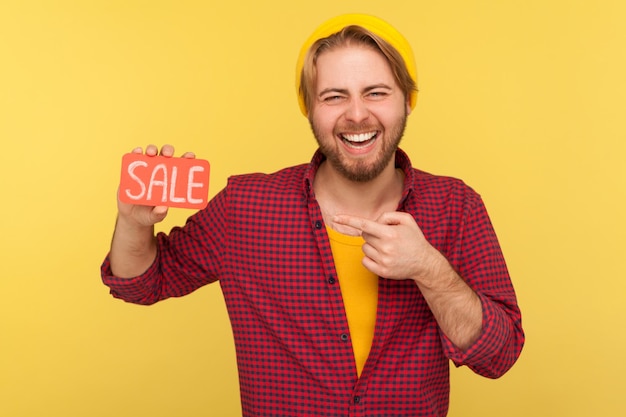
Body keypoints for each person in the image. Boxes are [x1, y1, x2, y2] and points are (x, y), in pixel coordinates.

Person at [101, 13, 524, 417]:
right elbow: (141, 283)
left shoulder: (456, 206)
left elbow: (499, 355)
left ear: (408, 102)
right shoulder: (245, 207)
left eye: (376, 92)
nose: (357, 114)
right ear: (309, 107)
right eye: (334, 96)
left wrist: (429, 269)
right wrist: (134, 222)